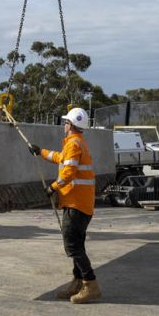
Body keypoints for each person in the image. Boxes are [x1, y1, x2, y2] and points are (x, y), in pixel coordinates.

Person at [29, 107, 101, 304]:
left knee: (73, 245)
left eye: (65, 122)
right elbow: (61, 158)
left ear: (71, 125)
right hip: (79, 203)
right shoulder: (76, 143)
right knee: (77, 244)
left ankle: (90, 284)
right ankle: (78, 282)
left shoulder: (74, 144)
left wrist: (52, 187)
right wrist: (40, 152)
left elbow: (68, 172)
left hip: (76, 204)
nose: (64, 125)